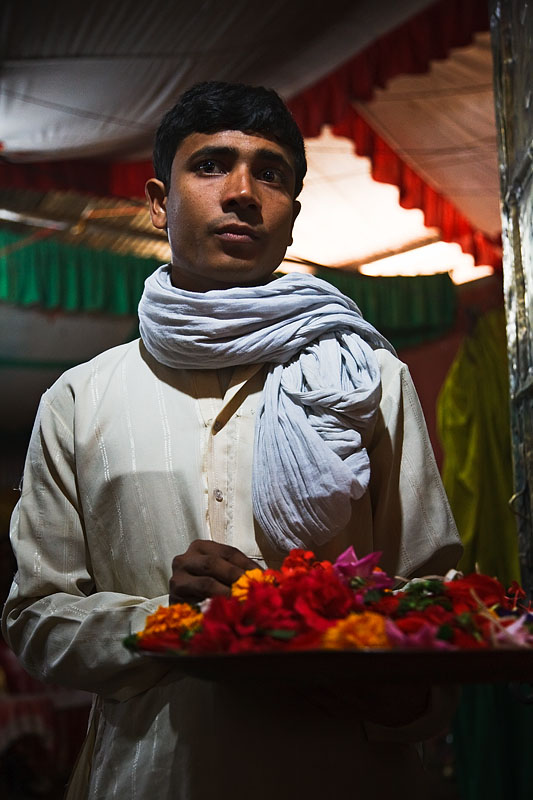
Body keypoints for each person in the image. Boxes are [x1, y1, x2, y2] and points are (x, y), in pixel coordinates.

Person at [2, 82, 462, 799]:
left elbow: (432, 597)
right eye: (211, 164)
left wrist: (334, 643)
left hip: (343, 772)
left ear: (291, 216)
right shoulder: (80, 398)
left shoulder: (367, 377)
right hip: (151, 778)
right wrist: (170, 622)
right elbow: (36, 618)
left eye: (269, 172)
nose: (242, 191)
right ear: (159, 202)